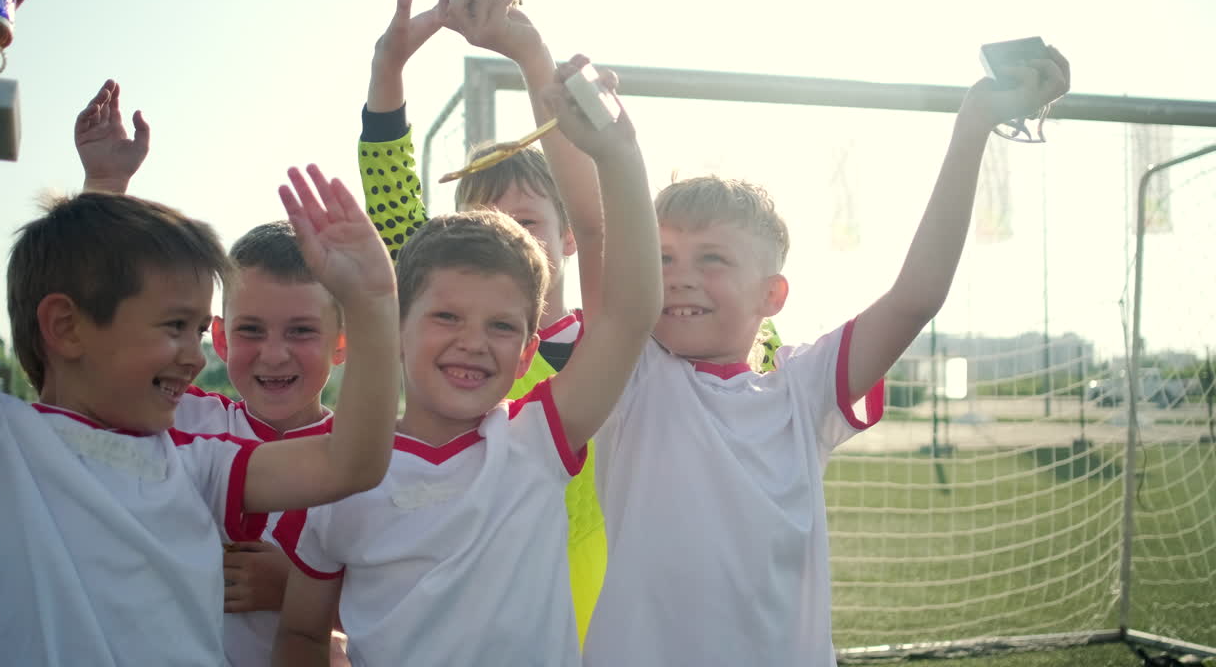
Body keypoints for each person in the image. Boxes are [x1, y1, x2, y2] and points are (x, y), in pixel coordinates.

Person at [0, 0, 400, 656]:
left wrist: (373, 305)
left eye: (195, 326)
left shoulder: (197, 461)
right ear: (63, 328)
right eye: (175, 326)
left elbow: (353, 463)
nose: (196, 352)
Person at [581, 49, 1072, 667]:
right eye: (663, 258)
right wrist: (597, 134)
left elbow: (915, 297)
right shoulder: (632, 376)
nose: (680, 277)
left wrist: (973, 125)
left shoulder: (802, 390)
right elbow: (598, 233)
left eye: (712, 258)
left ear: (772, 296)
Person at [273, 56, 661, 666]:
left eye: (502, 325)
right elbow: (300, 635)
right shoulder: (337, 471)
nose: (473, 342)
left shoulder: (538, 439)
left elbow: (631, 314)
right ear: (397, 327)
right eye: (447, 317)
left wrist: (619, 153)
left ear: (527, 350)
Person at [76, 81, 352, 667]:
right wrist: (105, 191)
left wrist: (304, 597)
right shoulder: (184, 417)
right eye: (251, 330)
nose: (274, 355)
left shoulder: (370, 457)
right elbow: (92, 357)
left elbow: (411, 602)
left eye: (301, 331)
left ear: (342, 342)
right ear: (220, 339)